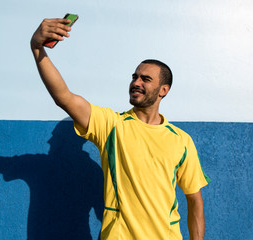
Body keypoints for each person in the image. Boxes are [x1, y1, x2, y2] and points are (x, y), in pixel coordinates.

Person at [30, 17, 210, 240]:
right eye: (134, 77)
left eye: (146, 79)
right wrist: (37, 49)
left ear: (163, 90)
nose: (136, 82)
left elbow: (195, 200)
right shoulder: (111, 126)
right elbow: (64, 97)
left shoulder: (181, 141)